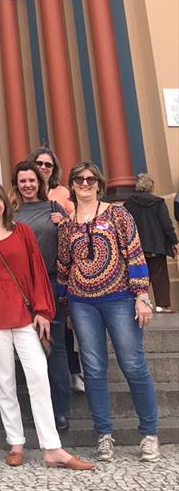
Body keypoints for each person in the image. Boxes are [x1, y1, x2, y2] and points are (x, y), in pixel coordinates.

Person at [0, 182, 94, 470]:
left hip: (25, 316)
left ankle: (52, 448)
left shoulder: (22, 232)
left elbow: (37, 271)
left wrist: (43, 311)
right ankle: (16, 443)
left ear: (4, 203)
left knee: (38, 377)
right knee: (5, 383)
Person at [58, 162, 159, 463]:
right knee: (93, 369)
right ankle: (103, 435)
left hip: (120, 299)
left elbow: (135, 253)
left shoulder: (118, 214)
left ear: (99, 184)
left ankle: (149, 433)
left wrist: (142, 295)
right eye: (79, 179)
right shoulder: (66, 225)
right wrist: (64, 305)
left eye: (90, 179)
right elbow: (64, 267)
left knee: (133, 363)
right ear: (72, 185)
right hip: (82, 303)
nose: (85, 184)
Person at [10, 161, 71, 431]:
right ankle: (37, 411)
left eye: (32, 180)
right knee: (31, 352)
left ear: (40, 182)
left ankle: (60, 411)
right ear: (16, 184)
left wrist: (65, 223)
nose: (28, 185)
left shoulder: (54, 209)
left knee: (55, 349)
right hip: (23, 290)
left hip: (52, 282)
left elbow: (69, 243)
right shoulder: (11, 214)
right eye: (22, 181)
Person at [124, 173, 178, 313]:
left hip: (136, 247)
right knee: (159, 275)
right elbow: (166, 224)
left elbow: (124, 225)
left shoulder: (128, 204)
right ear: (151, 186)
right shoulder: (158, 202)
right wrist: (174, 241)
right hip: (157, 245)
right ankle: (162, 305)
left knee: (139, 276)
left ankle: (136, 304)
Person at [28, 146, 74, 215]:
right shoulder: (18, 192)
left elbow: (74, 219)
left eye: (48, 165)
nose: (43, 167)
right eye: (39, 163)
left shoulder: (63, 192)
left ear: (54, 169)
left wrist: (63, 219)